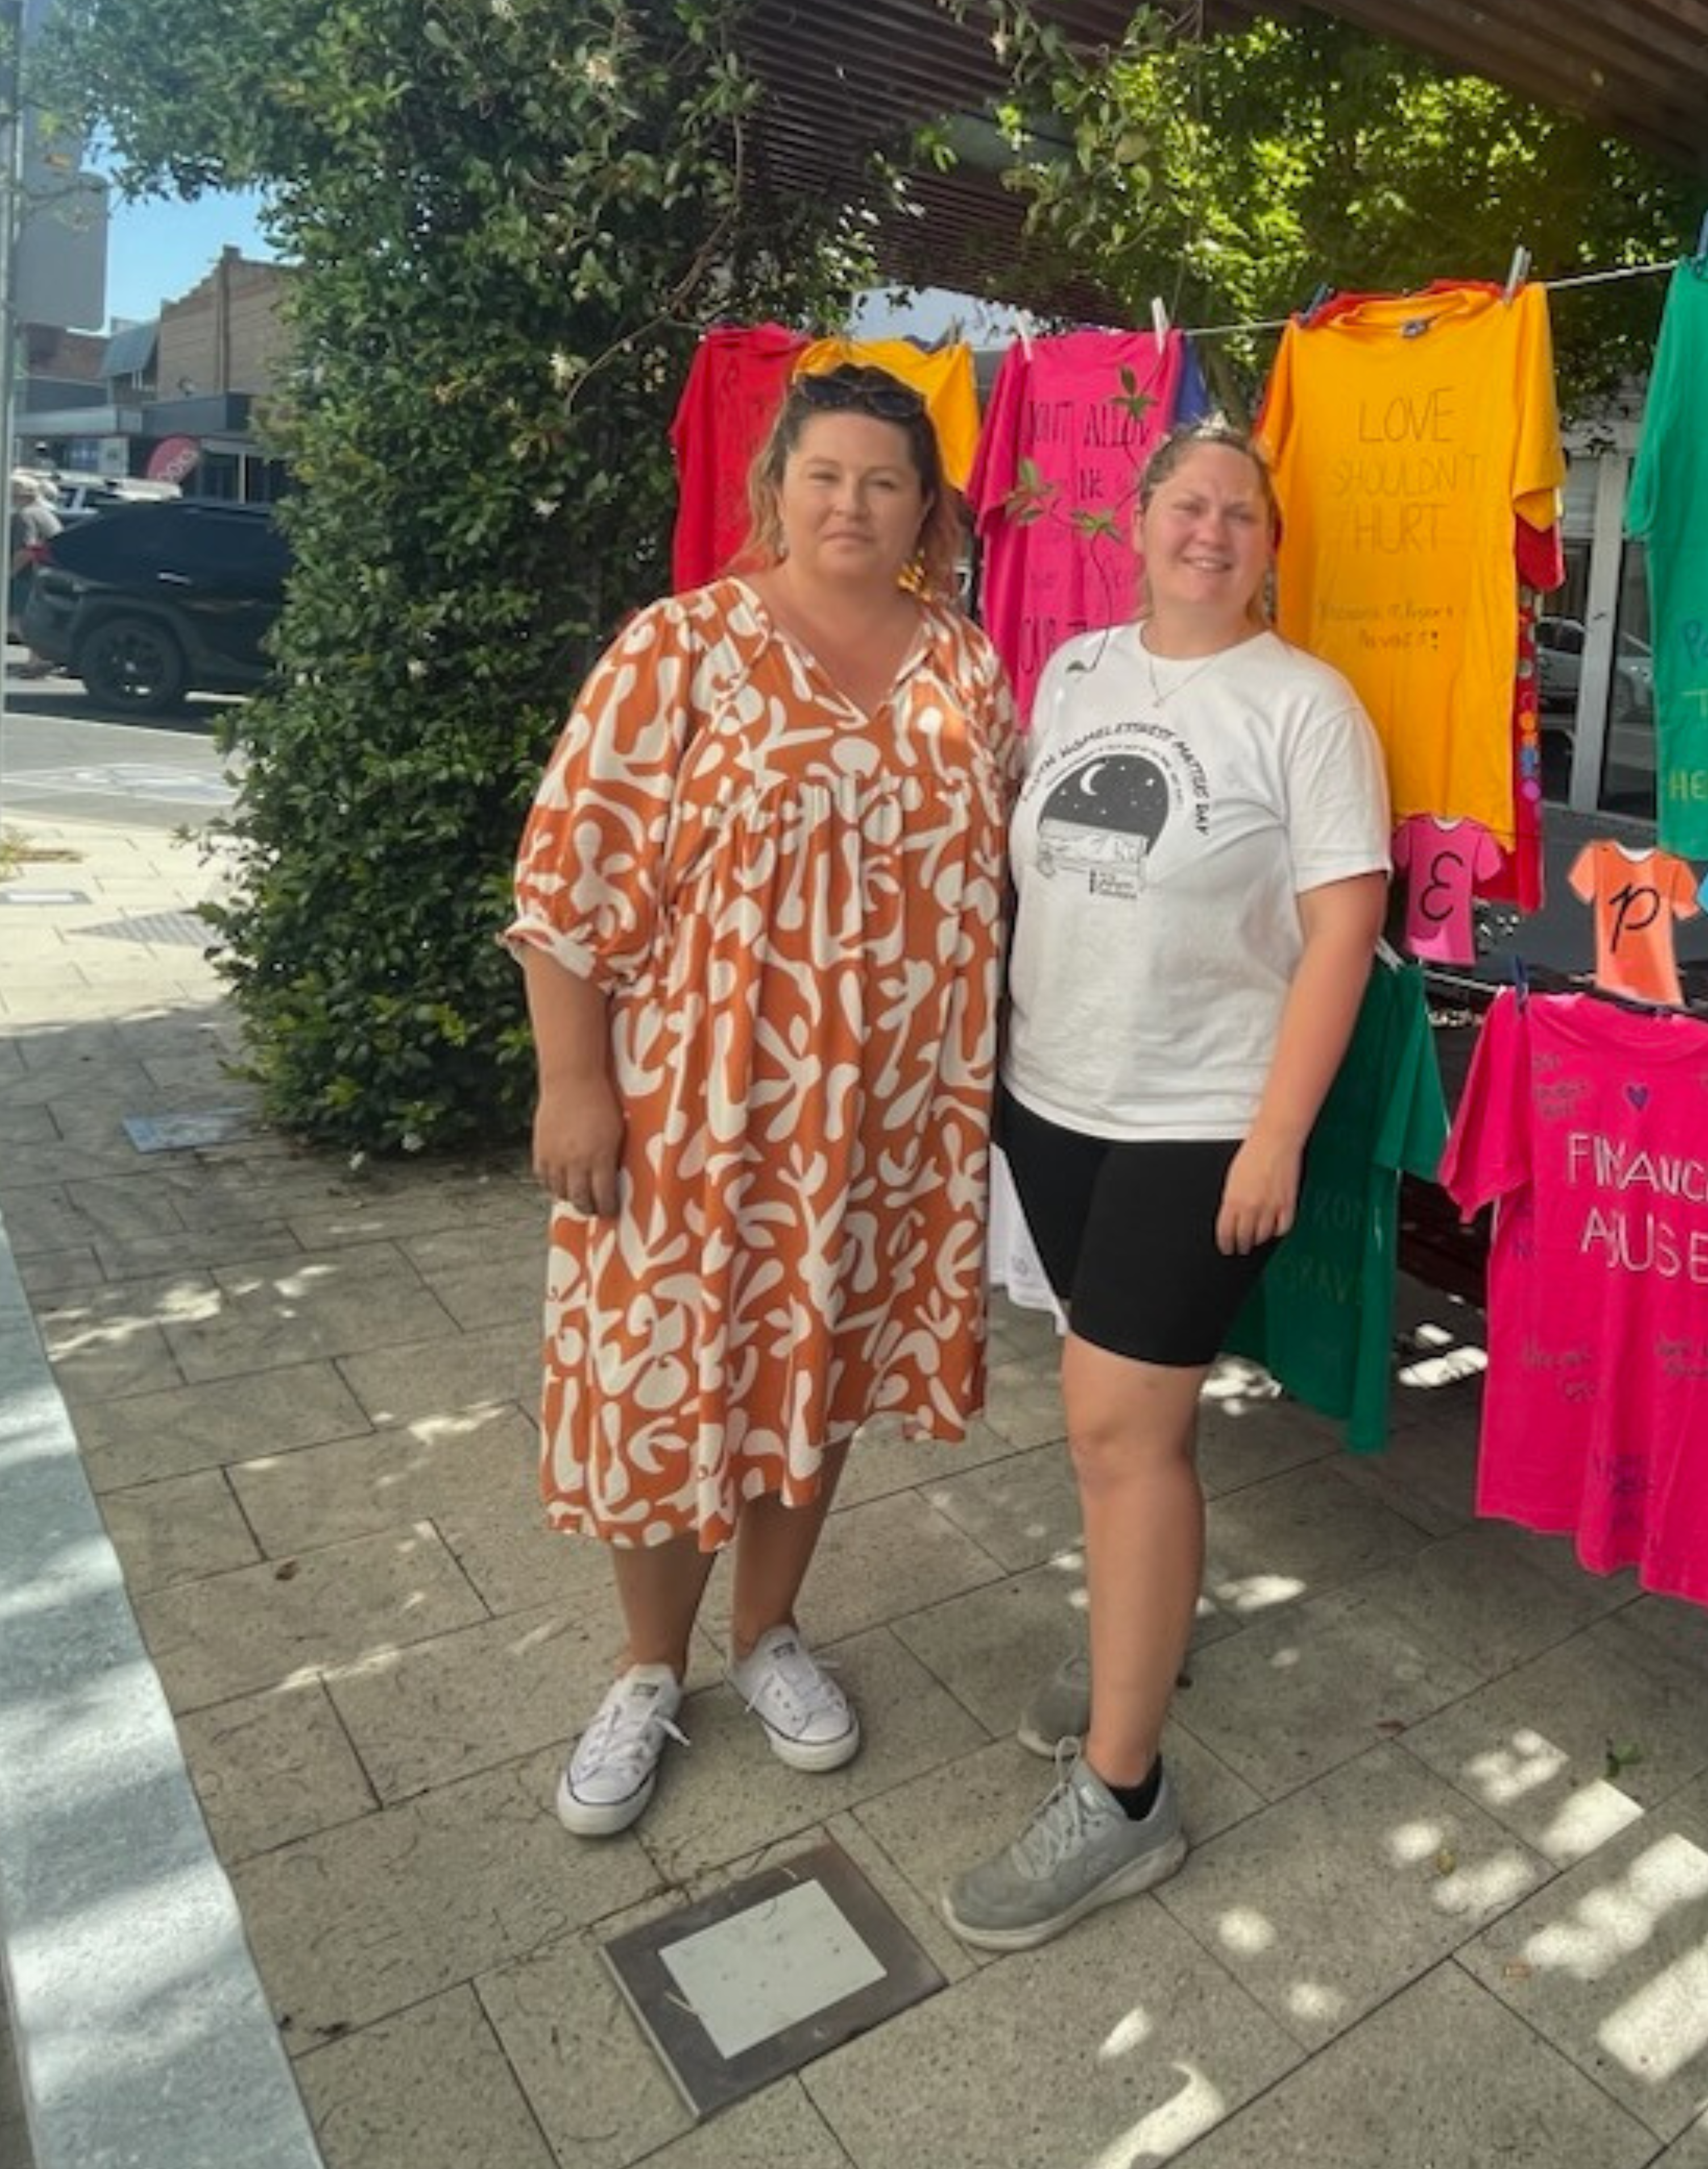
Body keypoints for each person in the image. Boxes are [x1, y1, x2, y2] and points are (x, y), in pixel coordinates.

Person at [507, 360, 1020, 1838]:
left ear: (925, 505)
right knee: (671, 1373)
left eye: (884, 480)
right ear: (776, 489)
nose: (853, 502)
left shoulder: (968, 670)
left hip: (891, 1114)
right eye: (826, 475)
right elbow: (568, 878)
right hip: (693, 1100)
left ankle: (772, 1633)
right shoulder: (681, 648)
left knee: (825, 1365)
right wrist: (574, 1077)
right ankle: (650, 1668)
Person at [947, 416, 1389, 1949]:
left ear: (1273, 546)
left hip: (1201, 1117)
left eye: (1243, 515)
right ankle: (1140, 1643)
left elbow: (1344, 928)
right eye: (1188, 505)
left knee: (1119, 1431)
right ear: (1139, 520)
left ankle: (1126, 1794)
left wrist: (1278, 1133)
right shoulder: (1072, 670)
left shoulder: (1307, 706)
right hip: (1052, 1097)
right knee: (1116, 1431)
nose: (1214, 530)